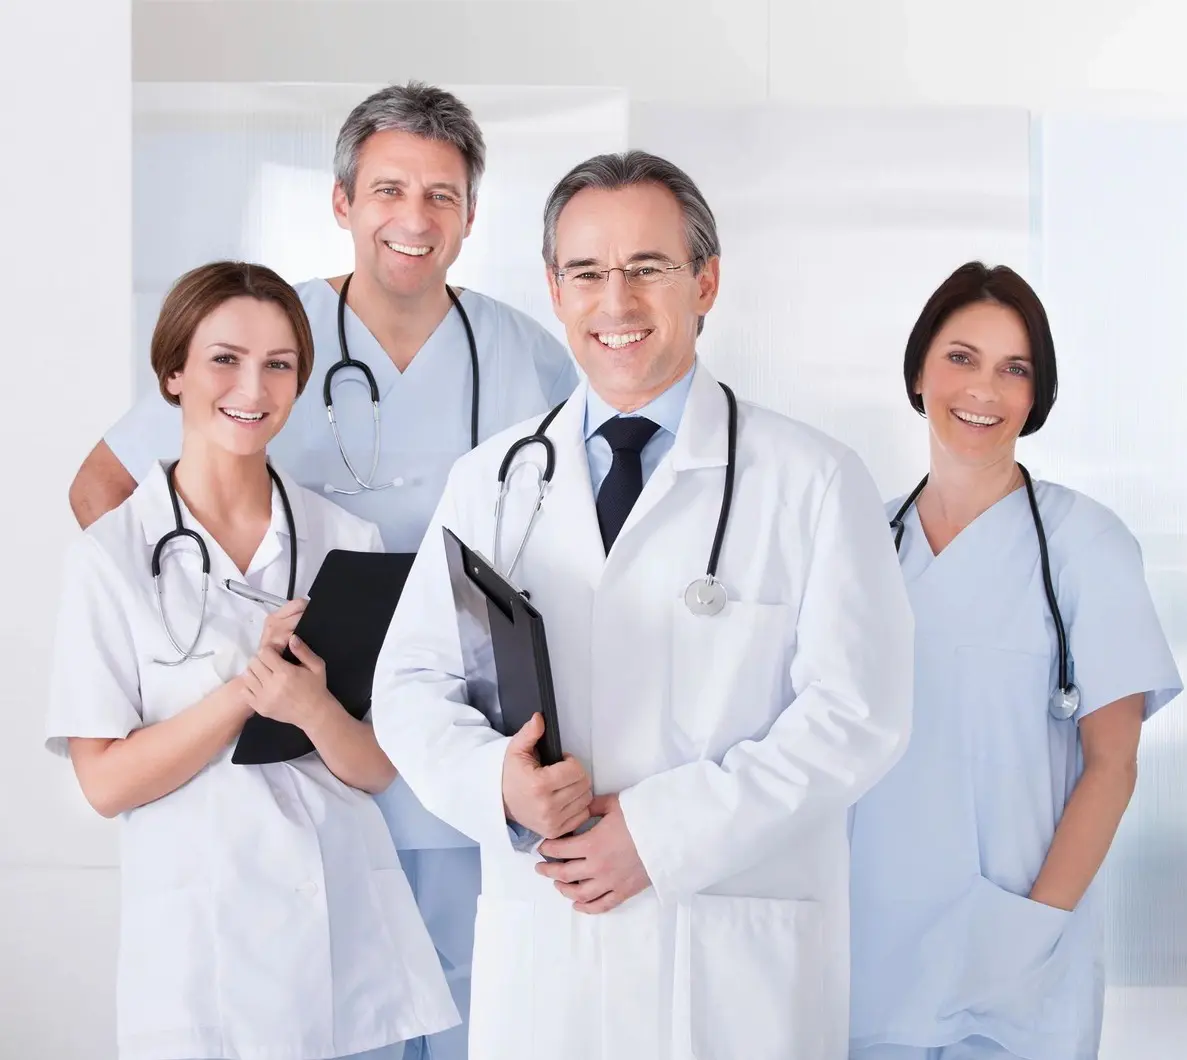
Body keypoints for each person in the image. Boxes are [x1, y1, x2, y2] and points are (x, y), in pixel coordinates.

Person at [66, 81, 578, 1060]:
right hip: (298, 759)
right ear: (342, 203)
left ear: (472, 214)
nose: (413, 219)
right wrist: (203, 633)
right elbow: (105, 485)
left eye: (441, 195)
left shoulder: (524, 356)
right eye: (388, 190)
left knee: (470, 1018)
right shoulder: (266, 334)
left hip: (461, 758)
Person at [368, 150, 915, 1060]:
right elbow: (411, 685)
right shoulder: (492, 482)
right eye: (586, 271)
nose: (614, 301)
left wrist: (662, 835)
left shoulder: (811, 479)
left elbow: (858, 716)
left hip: (727, 961)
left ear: (705, 281)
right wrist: (497, 786)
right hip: (548, 951)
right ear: (552, 287)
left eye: (647, 268)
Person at [45, 262, 460, 1060]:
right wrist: (247, 693)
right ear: (173, 373)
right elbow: (105, 783)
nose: (253, 386)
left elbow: (375, 768)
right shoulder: (111, 556)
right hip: (202, 952)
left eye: (279, 364)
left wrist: (312, 708)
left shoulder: (349, 543)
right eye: (224, 359)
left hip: (341, 939)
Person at [847, 262, 1183, 1060]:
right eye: (961, 357)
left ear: (1035, 397)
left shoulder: (1084, 544)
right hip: (866, 950)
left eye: (1014, 369)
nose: (983, 390)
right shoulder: (860, 539)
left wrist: (1026, 934)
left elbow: (1113, 764)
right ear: (919, 369)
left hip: (1016, 960)